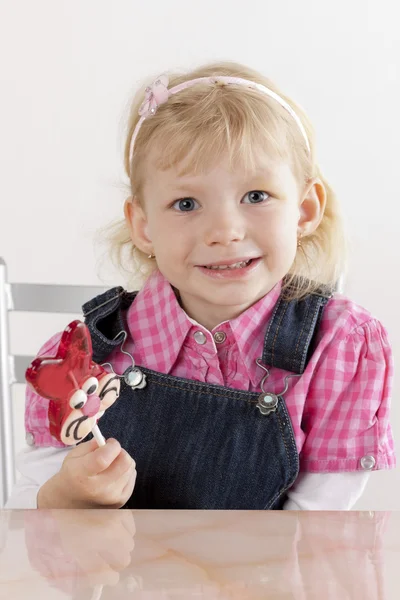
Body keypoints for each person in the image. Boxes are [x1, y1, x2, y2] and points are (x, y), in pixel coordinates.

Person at [6, 62, 395, 510]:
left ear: (304, 210)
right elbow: (27, 522)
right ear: (144, 225)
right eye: (186, 203)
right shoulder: (86, 358)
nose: (225, 231)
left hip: (269, 577)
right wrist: (67, 497)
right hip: (126, 578)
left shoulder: (338, 346)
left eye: (256, 196)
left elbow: (320, 528)